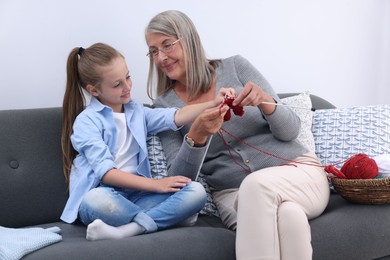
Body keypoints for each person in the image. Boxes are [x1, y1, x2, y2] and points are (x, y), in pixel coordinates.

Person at [145, 10, 330, 260]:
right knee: (290, 217)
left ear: (189, 39)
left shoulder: (236, 66)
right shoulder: (165, 108)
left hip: (298, 173)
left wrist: (266, 102)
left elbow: (290, 131)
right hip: (233, 196)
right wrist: (196, 136)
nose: (161, 57)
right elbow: (179, 180)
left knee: (255, 187)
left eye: (167, 45)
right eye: (153, 51)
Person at [60, 42, 232, 241]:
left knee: (196, 191)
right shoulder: (86, 122)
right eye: (117, 84)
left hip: (138, 197)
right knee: (95, 200)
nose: (127, 87)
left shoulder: (136, 112)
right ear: (94, 90)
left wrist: (212, 103)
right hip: (106, 198)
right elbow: (106, 174)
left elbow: (175, 116)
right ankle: (166, 218)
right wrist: (156, 184)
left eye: (128, 77)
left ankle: (129, 229)